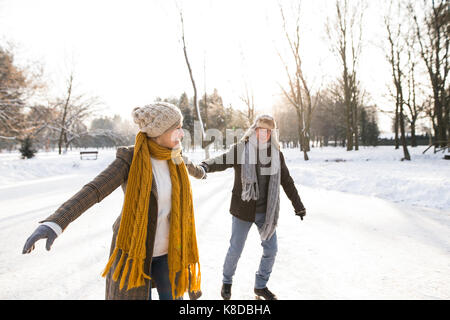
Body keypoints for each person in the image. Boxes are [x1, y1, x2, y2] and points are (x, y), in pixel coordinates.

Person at [22, 102, 206, 300]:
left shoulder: (176, 156)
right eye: (176, 128)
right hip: (134, 251)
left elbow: (192, 168)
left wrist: (202, 172)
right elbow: (94, 189)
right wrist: (56, 222)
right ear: (158, 132)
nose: (182, 133)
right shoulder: (131, 158)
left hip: (171, 250)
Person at [199, 114, 306, 300]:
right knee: (236, 248)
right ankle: (227, 281)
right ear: (254, 130)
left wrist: (298, 205)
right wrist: (205, 166)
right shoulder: (241, 149)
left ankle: (260, 286)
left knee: (271, 250)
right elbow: (222, 160)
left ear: (272, 133)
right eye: (260, 130)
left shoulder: (276, 154)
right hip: (243, 210)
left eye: (268, 131)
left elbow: (286, 181)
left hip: (267, 212)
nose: (263, 134)